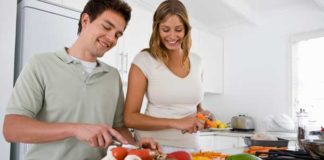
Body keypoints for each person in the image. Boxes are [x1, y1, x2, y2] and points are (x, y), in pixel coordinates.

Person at [3, 0, 158, 159]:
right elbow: (12, 128)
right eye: (106, 27)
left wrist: (136, 147)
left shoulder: (112, 76)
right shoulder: (41, 64)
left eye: (118, 34)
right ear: (85, 20)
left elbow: (118, 130)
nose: (112, 38)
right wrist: (75, 129)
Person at [124, 0, 214, 153]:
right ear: (157, 29)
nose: (172, 36)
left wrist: (205, 116)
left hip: (191, 147)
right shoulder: (144, 60)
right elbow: (130, 118)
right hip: (154, 147)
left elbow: (197, 107)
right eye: (166, 29)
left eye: (178, 29)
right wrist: (176, 123)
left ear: (186, 30)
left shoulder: (198, 62)